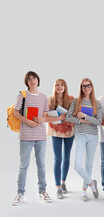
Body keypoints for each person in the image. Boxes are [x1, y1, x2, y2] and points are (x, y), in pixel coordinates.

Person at [12, 71, 52, 206]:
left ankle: (43, 191)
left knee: (41, 165)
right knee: (23, 166)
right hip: (26, 135)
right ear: (26, 82)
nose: (32, 81)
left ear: (38, 79)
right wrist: (28, 121)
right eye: (29, 79)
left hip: (41, 135)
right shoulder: (22, 95)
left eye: (34, 78)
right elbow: (15, 112)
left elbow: (45, 116)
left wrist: (41, 119)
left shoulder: (43, 97)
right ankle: (20, 193)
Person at [34, 79, 74, 199]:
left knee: (66, 157)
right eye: (57, 85)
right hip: (55, 131)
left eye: (62, 85)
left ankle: (63, 182)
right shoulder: (49, 100)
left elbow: (75, 115)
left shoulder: (71, 99)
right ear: (54, 87)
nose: (60, 87)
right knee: (58, 158)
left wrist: (68, 116)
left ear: (65, 87)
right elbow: (44, 118)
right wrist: (59, 117)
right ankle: (58, 188)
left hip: (69, 131)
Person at [66, 78, 102, 202]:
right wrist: (80, 120)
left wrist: (85, 116)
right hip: (80, 135)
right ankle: (92, 184)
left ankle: (84, 190)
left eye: (88, 85)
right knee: (77, 165)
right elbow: (68, 117)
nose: (86, 87)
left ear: (92, 87)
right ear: (81, 88)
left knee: (88, 164)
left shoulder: (97, 103)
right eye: (84, 86)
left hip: (93, 136)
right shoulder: (76, 102)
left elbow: (98, 122)